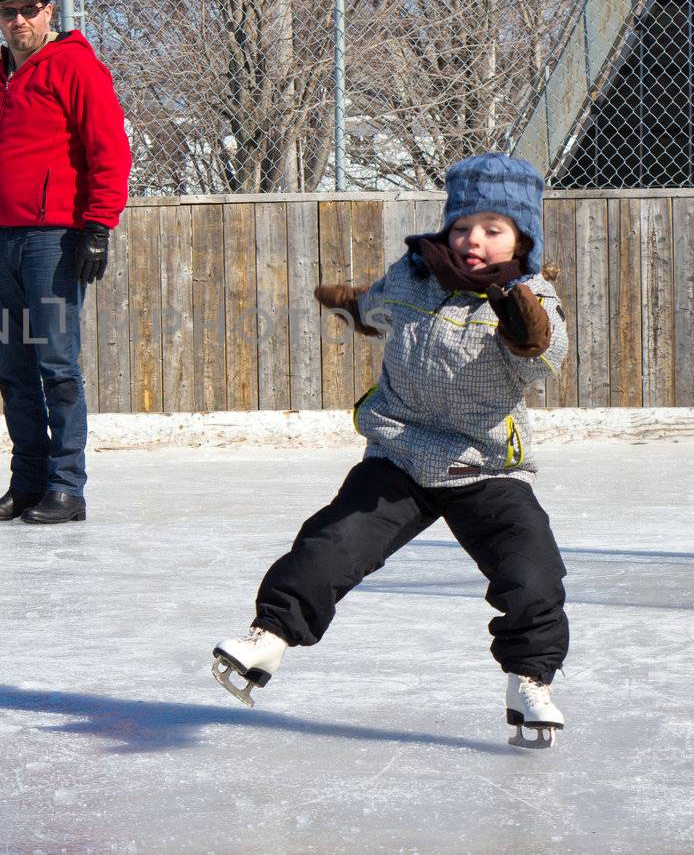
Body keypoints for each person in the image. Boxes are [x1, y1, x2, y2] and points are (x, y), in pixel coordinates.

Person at [209, 153, 573, 748]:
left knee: (531, 571)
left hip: (485, 464)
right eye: (461, 227)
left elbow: (546, 354)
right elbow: (379, 306)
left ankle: (530, 681)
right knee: (332, 541)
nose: (472, 240)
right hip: (401, 451)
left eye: (492, 229)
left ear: (521, 237)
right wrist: (354, 304)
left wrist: (522, 323)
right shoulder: (416, 275)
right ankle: (268, 637)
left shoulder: (529, 293)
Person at [0, 0, 132, 526]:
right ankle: (27, 482)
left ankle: (66, 486)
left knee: (56, 363)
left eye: (30, 10)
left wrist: (98, 226)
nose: (20, 21)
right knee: (12, 364)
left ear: (49, 10)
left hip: (51, 245)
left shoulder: (77, 67)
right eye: (8, 13)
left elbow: (109, 150)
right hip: (1, 245)